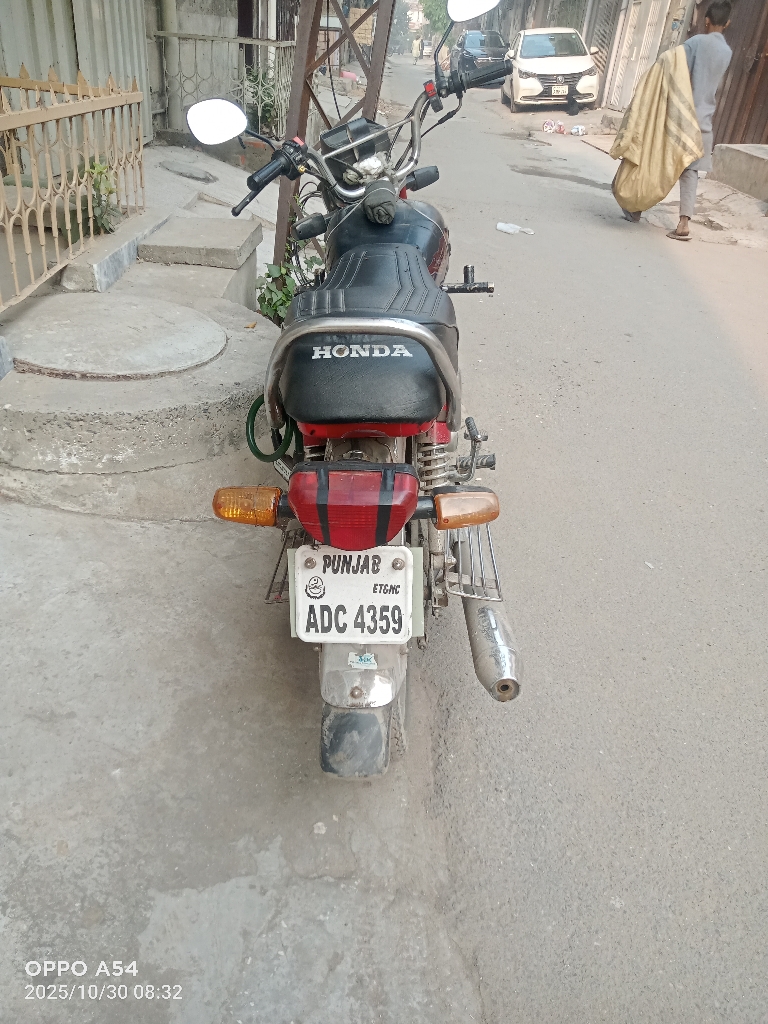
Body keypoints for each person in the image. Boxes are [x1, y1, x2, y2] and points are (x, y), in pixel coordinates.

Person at [667, 1, 732, 240]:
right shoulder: (727, 52)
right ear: (727, 23)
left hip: (680, 116)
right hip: (703, 120)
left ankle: (636, 208)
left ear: (706, 20)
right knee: (690, 170)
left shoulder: (694, 43)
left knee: (659, 160)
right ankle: (684, 223)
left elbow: (674, 70)